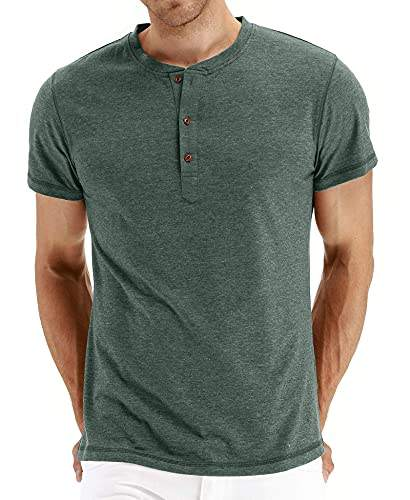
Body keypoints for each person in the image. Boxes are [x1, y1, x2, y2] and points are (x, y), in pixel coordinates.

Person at [28, 0, 377, 498]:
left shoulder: (320, 86)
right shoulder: (69, 98)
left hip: (276, 465)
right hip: (125, 462)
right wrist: (92, 416)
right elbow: (57, 264)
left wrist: (309, 415)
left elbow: (349, 255)